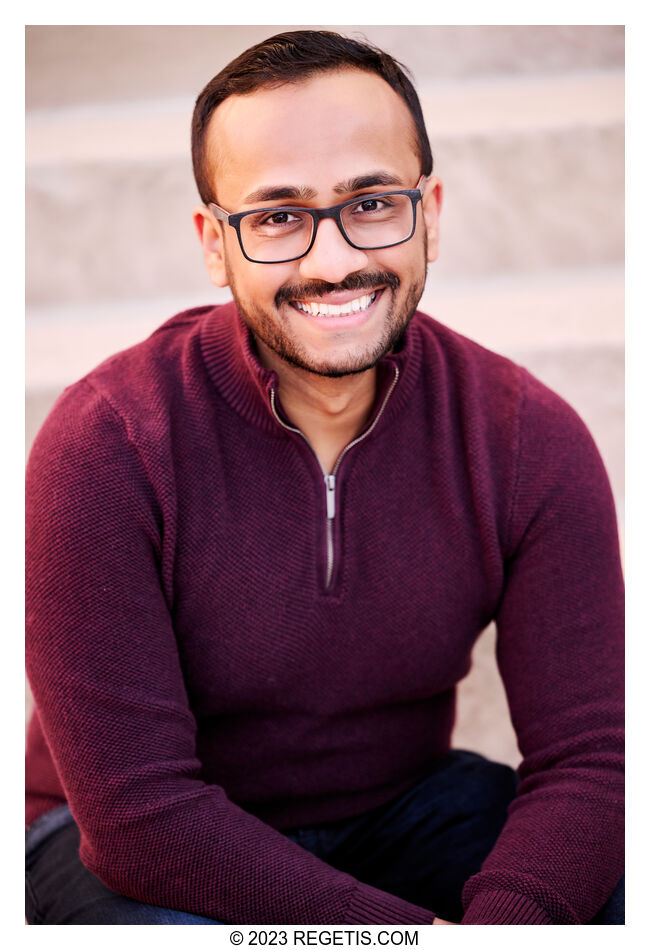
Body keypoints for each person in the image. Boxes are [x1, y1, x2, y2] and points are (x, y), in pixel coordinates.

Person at [25, 30, 624, 925]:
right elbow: (137, 818)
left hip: (401, 810)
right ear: (214, 244)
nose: (333, 260)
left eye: (372, 202)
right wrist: (405, 941)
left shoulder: (526, 439)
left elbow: (591, 761)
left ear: (431, 211)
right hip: (123, 850)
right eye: (277, 217)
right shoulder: (107, 444)